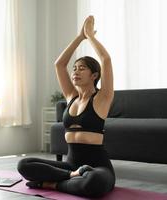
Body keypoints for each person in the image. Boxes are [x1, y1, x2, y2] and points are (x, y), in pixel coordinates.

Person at [17, 16, 115, 198]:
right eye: (75, 68)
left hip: (97, 167)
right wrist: (79, 37)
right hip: (71, 167)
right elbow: (59, 64)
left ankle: (51, 184)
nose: (75, 71)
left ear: (94, 75)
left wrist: (90, 36)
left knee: (95, 182)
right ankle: (71, 177)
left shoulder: (102, 98)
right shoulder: (71, 96)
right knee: (23, 165)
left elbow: (106, 60)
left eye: (82, 68)